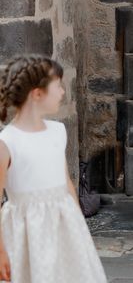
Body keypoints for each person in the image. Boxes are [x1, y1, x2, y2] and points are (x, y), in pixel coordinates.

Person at [0, 55, 107, 282]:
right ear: (37, 94)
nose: (62, 92)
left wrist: (79, 227)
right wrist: (0, 251)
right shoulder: (7, 142)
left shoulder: (57, 131)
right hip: (26, 232)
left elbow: (66, 181)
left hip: (63, 223)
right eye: (58, 85)